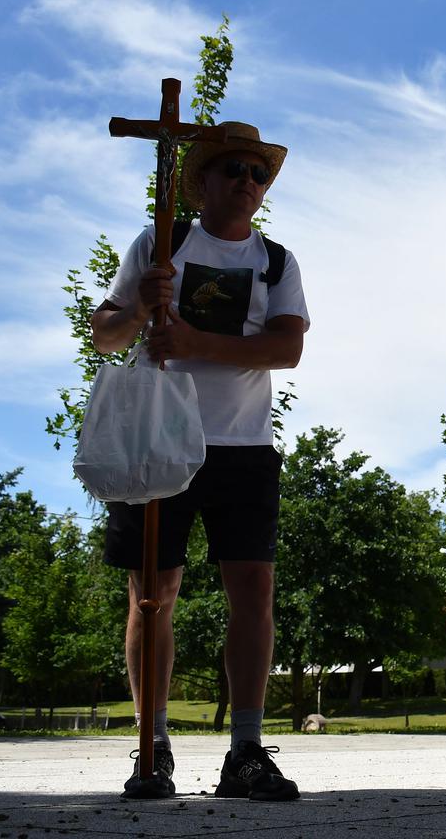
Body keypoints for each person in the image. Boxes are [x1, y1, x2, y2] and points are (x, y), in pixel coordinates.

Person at [92, 121, 308, 801]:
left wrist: (190, 337)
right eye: (234, 169)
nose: (248, 181)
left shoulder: (276, 261)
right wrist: (139, 313)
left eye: (258, 173)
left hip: (244, 447)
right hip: (157, 439)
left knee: (253, 595)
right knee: (152, 595)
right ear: (204, 179)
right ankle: (151, 745)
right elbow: (105, 334)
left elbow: (285, 349)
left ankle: (245, 751)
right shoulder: (162, 244)